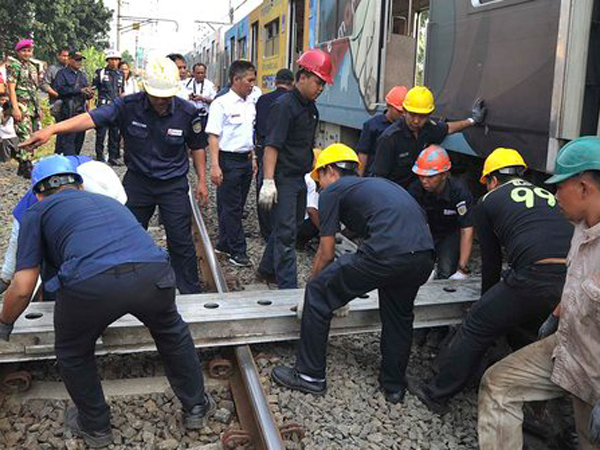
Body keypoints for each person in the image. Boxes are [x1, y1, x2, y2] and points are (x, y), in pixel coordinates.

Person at [0, 155, 215, 448]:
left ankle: (96, 426)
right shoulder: (110, 203)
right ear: (78, 184)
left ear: (37, 192)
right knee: (172, 334)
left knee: (73, 351)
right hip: (154, 275)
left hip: (91, 287)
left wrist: (5, 323)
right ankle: (196, 407)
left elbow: (23, 287)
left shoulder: (36, 214)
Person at [18, 57, 209, 295]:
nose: (161, 101)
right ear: (145, 90)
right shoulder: (127, 106)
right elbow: (91, 118)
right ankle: (123, 291)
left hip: (173, 185)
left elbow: (198, 147)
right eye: (156, 95)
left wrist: (201, 180)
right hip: (138, 182)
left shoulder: (188, 113)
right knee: (122, 235)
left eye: (165, 96)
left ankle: (190, 293)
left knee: (180, 242)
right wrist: (52, 129)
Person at [410, 148, 573, 415]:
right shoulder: (547, 193)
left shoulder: (488, 201)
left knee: (476, 325)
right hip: (570, 279)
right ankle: (540, 407)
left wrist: (487, 304)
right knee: (531, 332)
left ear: (492, 180)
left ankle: (436, 394)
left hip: (533, 275)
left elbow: (492, 263)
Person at [271, 144, 435, 403]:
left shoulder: (333, 191)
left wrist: (315, 288)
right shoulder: (375, 185)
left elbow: (325, 253)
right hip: (423, 257)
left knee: (318, 293)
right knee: (399, 316)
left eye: (319, 179)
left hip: (386, 253)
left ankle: (309, 375)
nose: (320, 187)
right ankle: (393, 386)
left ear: (330, 171)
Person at [477, 137, 600, 450]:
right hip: (570, 346)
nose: (553, 194)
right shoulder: (580, 227)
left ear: (585, 188)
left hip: (596, 371)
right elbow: (578, 283)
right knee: (499, 385)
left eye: (560, 186)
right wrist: (555, 316)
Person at [257, 49, 332, 289]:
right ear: (303, 77)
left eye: (323, 84)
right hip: (282, 179)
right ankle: (288, 289)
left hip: (298, 177)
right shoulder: (284, 106)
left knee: (286, 227)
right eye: (318, 82)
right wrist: (268, 182)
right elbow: (272, 145)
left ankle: (266, 270)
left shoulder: (311, 108)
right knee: (287, 236)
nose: (321, 88)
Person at [0, 155, 126, 295]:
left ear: (81, 188)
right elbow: (17, 242)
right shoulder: (30, 207)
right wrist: (6, 276)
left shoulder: (107, 185)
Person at [373, 86, 486, 188]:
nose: (416, 121)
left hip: (418, 192)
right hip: (395, 193)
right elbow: (379, 179)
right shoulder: (389, 138)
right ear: (404, 111)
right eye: (412, 115)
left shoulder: (428, 129)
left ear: (429, 114)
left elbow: (448, 128)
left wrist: (473, 120)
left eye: (422, 116)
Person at [206, 60, 257, 267]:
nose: (252, 84)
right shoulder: (221, 103)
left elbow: (249, 134)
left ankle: (224, 243)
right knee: (233, 208)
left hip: (245, 160)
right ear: (236, 79)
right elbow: (213, 136)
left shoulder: (250, 103)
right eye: (249, 80)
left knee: (232, 205)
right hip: (228, 161)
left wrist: (252, 158)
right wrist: (215, 166)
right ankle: (238, 251)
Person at [408, 145, 474, 279]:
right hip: (425, 231)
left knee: (446, 271)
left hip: (450, 232)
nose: (424, 181)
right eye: (421, 176)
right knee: (419, 271)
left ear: (444, 175)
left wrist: (462, 268)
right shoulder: (415, 190)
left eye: (430, 177)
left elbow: (467, 229)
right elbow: (409, 225)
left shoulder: (459, 191)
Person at [255, 68, 295, 241]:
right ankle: (279, 229)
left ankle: (266, 231)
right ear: (292, 83)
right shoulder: (292, 102)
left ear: (276, 81)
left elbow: (259, 127)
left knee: (264, 188)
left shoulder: (263, 99)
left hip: (265, 147)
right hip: (286, 152)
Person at [6, 39, 42, 178]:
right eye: (24, 51)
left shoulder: (33, 67)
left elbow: (34, 89)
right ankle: (26, 164)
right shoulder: (14, 66)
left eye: (29, 51)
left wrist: (39, 109)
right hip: (21, 104)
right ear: (18, 52)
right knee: (24, 134)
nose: (27, 53)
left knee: (33, 135)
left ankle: (24, 164)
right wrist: (15, 108)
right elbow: (11, 88)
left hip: (32, 105)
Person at [356, 85, 408, 177]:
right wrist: (359, 179)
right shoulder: (372, 125)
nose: (403, 115)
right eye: (399, 111)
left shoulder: (407, 127)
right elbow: (363, 154)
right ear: (389, 106)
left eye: (405, 112)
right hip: (375, 176)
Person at [53, 50, 94, 156]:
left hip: (81, 111)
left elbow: (86, 91)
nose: (79, 62)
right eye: (77, 60)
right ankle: (66, 164)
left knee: (79, 140)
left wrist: (89, 93)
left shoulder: (82, 75)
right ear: (70, 60)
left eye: (80, 60)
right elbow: (59, 90)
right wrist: (78, 90)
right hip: (67, 111)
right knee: (67, 141)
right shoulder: (62, 73)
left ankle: (75, 162)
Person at [93, 50, 124, 165]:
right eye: (112, 59)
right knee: (101, 133)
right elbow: (93, 88)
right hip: (103, 106)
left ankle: (113, 157)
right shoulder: (100, 72)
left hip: (115, 107)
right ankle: (99, 156)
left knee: (114, 134)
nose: (115, 62)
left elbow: (121, 91)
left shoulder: (120, 74)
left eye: (117, 59)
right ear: (107, 60)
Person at [41, 47, 70, 121]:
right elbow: (44, 85)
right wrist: (57, 94)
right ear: (58, 56)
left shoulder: (72, 69)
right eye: (64, 56)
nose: (66, 58)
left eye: (68, 56)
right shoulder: (52, 69)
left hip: (71, 104)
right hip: (57, 103)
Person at [296, 171, 320, 250]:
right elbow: (311, 210)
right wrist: (325, 231)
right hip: (299, 226)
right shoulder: (313, 182)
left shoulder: (305, 175)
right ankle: (299, 242)